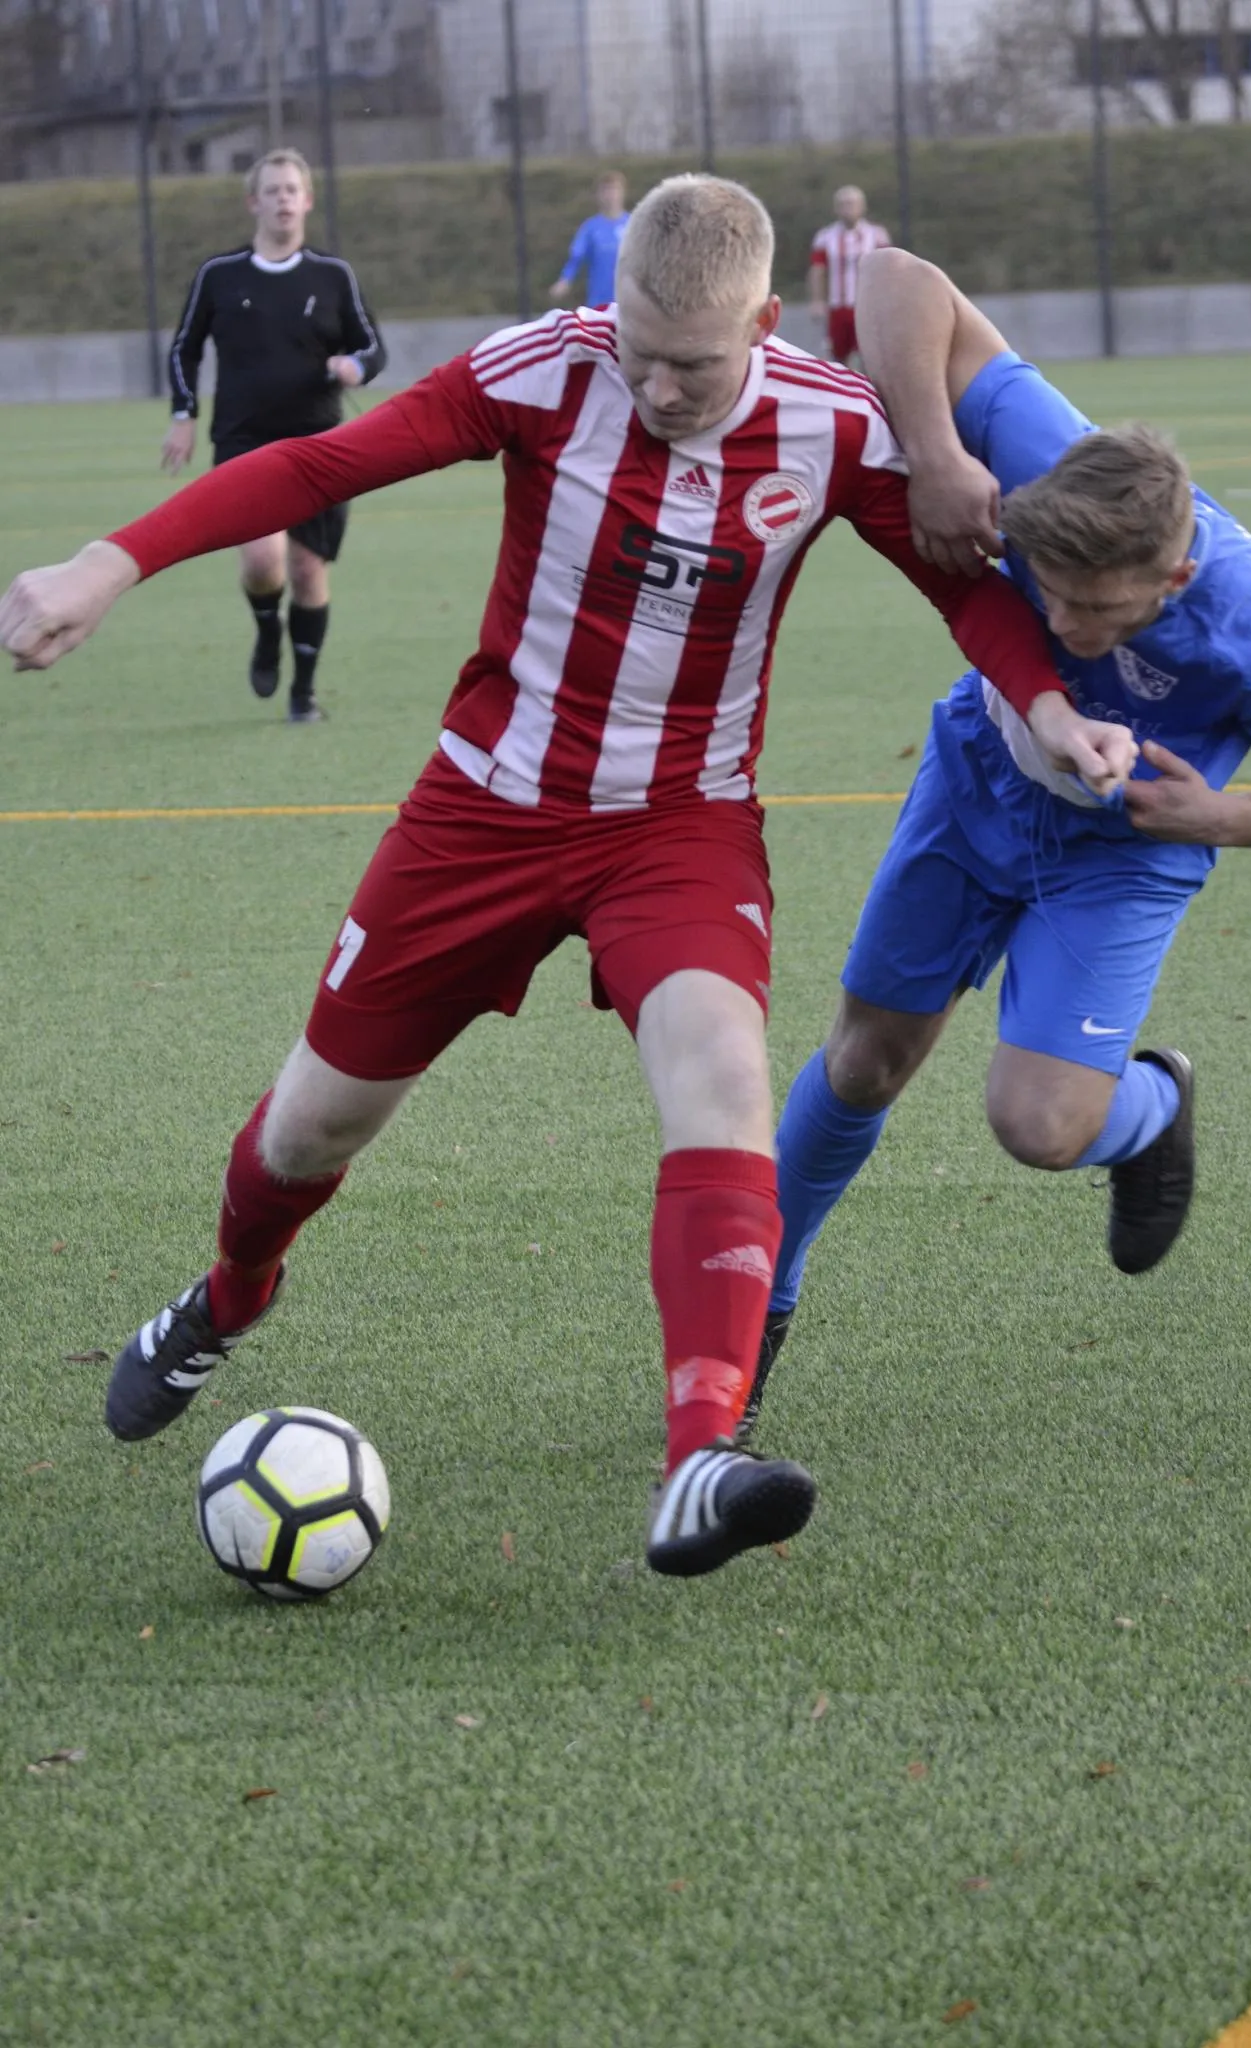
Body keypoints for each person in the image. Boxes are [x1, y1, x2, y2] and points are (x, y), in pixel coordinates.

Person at [0, 179, 1132, 1580]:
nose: (654, 385)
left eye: (691, 364)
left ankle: (699, 1455)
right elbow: (318, 467)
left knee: (723, 1076)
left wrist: (1048, 708)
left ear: (764, 325)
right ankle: (226, 1301)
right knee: (309, 1131)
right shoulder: (544, 370)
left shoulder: (834, 422)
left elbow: (962, 588)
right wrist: (111, 561)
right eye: (636, 347)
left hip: (680, 827)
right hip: (481, 813)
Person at [740, 248, 1251, 1443]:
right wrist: (937, 454)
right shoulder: (1052, 452)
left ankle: (1152, 1107)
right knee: (864, 1060)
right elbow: (898, 280)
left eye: (1099, 609)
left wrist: (1219, 817)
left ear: (1174, 577)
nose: (1063, 623)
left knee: (1039, 1125)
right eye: (1051, 592)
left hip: (1128, 849)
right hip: (979, 777)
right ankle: (755, 1306)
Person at [163, 146, 387, 722]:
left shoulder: (333, 275)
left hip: (319, 443)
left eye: (292, 190)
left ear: (307, 201)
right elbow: (184, 348)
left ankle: (303, 696)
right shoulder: (219, 275)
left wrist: (354, 366)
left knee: (309, 570)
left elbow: (372, 346)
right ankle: (267, 631)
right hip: (244, 440)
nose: (283, 199)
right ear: (253, 202)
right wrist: (184, 415)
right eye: (272, 190)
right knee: (264, 563)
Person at [808, 186, 890, 366]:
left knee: (871, 357)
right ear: (836, 208)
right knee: (838, 360)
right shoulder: (825, 236)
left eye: (852, 203)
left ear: (863, 206)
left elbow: (886, 270)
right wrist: (817, 300)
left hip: (867, 307)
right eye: (843, 204)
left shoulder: (877, 235)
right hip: (838, 307)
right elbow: (818, 270)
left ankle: (870, 385)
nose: (848, 208)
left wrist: (886, 300)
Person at [549, 171, 630, 310]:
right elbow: (576, 257)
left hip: (628, 303)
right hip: (599, 304)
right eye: (606, 190)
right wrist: (565, 280)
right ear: (598, 195)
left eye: (615, 189)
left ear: (623, 193)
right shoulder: (590, 227)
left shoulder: (633, 224)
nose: (611, 195)